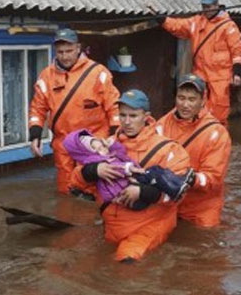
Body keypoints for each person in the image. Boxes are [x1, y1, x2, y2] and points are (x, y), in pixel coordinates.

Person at [71, 90, 191, 262]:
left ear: (146, 117)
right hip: (112, 226)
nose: (127, 122)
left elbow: (178, 195)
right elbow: (75, 183)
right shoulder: (107, 144)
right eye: (123, 115)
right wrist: (94, 170)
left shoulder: (169, 150)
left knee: (127, 263)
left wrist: (142, 192)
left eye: (133, 116)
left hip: (148, 226)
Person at [28, 28, 120, 195]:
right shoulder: (46, 76)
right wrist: (35, 135)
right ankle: (67, 217)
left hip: (94, 142)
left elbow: (113, 105)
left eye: (69, 51)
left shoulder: (98, 73)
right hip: (63, 143)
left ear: (78, 48)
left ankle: (92, 219)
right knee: (65, 190)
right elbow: (37, 108)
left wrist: (115, 133)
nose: (65, 56)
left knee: (94, 189)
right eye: (60, 52)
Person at [159, 0, 241, 127]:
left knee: (219, 112)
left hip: (220, 78)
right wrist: (163, 20)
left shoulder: (228, 26)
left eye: (209, 6)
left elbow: (237, 49)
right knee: (196, 108)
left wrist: (237, 71)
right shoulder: (197, 22)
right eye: (204, 7)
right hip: (200, 74)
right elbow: (178, 26)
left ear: (217, 5)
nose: (206, 10)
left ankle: (218, 138)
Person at [156, 74, 232, 228]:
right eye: (181, 98)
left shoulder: (216, 133)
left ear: (203, 101)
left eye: (192, 99)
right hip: (168, 201)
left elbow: (214, 178)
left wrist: (191, 179)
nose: (185, 104)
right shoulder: (162, 125)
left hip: (201, 208)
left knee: (203, 243)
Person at [63, 128, 194, 209]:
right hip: (126, 195)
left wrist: (111, 145)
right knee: (154, 174)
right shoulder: (95, 161)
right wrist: (129, 168)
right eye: (95, 148)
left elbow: (121, 152)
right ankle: (177, 187)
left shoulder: (108, 151)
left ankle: (178, 185)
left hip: (130, 192)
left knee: (156, 172)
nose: (100, 148)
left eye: (98, 143)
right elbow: (116, 168)